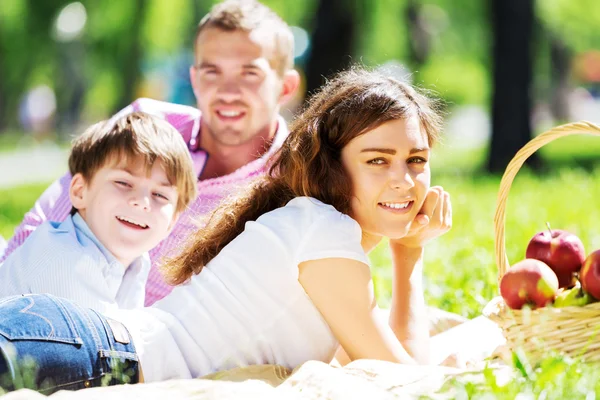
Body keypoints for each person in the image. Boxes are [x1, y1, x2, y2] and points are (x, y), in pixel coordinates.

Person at [0, 68, 452, 394]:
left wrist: (407, 253)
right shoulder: (323, 231)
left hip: (77, 344)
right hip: (90, 351)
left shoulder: (314, 228)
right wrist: (407, 257)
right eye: (377, 160)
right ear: (332, 165)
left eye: (416, 160)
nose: (403, 180)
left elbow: (392, 366)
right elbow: (406, 380)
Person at [0, 0, 301, 306]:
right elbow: (46, 221)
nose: (227, 91)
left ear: (286, 87)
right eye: (212, 72)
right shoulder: (145, 125)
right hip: (60, 305)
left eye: (249, 73)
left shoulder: (294, 182)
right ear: (195, 79)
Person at [0, 112, 197, 313]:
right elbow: (108, 342)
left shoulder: (135, 262)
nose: (142, 202)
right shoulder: (64, 257)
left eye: (160, 195)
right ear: (80, 191)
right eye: (123, 183)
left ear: (172, 221)